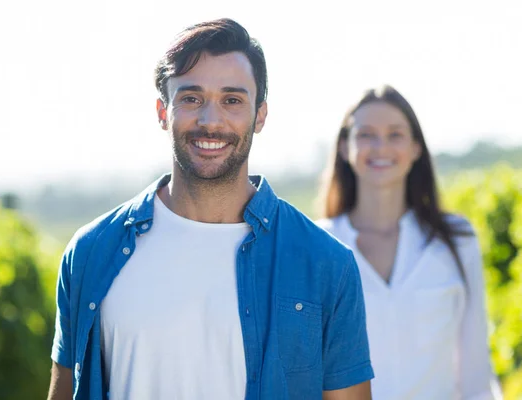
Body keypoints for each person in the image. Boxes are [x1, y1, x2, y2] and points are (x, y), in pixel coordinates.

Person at [46, 18, 373, 400]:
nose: (210, 121)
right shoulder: (90, 252)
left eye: (232, 100)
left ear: (260, 115)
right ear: (162, 111)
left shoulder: (325, 263)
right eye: (191, 98)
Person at [316, 86, 502, 400]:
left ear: (416, 148)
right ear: (345, 147)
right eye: (366, 135)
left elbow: (475, 373)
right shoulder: (318, 246)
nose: (381, 147)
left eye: (395, 134)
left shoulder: (456, 241)